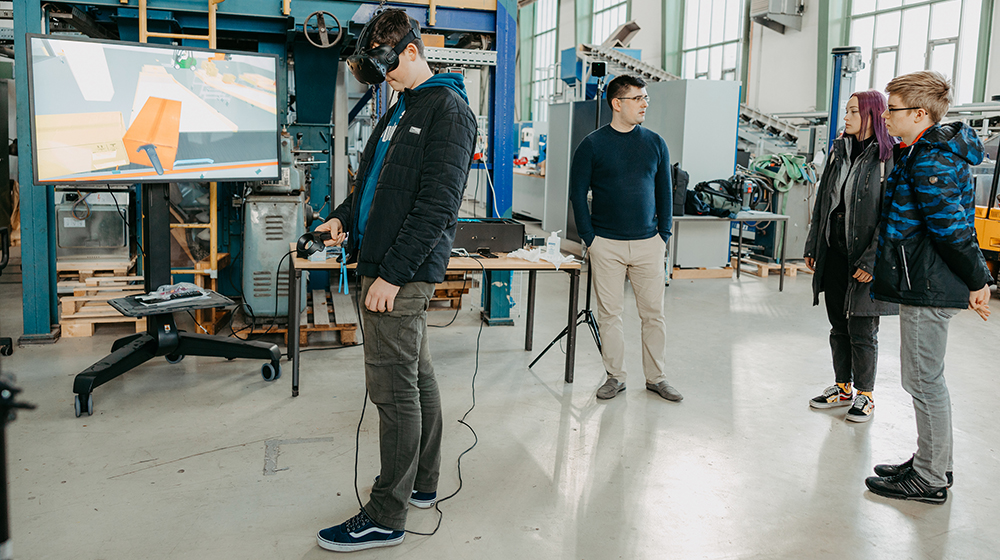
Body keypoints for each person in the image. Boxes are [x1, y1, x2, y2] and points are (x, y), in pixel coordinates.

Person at [312, 9, 477, 551]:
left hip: (397, 274)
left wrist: (391, 274)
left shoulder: (448, 111)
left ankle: (387, 514)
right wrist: (341, 216)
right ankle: (421, 485)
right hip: (379, 262)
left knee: (392, 391)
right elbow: (370, 188)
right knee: (416, 377)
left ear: (412, 50)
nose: (384, 77)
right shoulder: (398, 109)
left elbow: (437, 209)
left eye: (389, 65)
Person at [864, 70, 992, 504]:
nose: (884, 118)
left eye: (891, 110)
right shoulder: (920, 150)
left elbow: (951, 229)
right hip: (922, 276)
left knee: (923, 381)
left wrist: (979, 280)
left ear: (919, 113)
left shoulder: (931, 158)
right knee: (924, 378)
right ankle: (930, 461)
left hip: (929, 281)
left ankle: (931, 477)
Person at [568, 74, 682, 403]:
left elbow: (665, 193)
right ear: (617, 104)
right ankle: (615, 377)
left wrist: (663, 235)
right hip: (607, 244)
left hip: (649, 243)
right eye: (638, 98)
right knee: (610, 314)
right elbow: (577, 194)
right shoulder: (592, 145)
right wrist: (591, 238)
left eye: (647, 98)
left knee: (653, 315)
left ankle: (656, 377)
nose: (645, 103)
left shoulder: (655, 143)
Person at [803, 90, 897, 423]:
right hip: (835, 252)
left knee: (862, 329)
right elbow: (824, 204)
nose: (846, 117)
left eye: (853, 111)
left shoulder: (887, 157)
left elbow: (892, 216)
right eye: (846, 111)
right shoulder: (839, 151)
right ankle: (842, 388)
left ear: (872, 114)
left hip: (865, 257)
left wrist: (872, 261)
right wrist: (814, 245)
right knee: (837, 326)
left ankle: (866, 396)